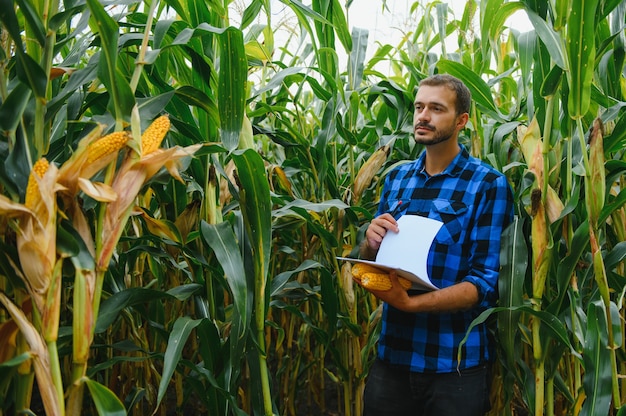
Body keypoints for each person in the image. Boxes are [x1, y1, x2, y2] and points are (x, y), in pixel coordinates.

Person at [358, 74, 514, 416]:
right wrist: (370, 245)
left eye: (435, 108)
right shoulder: (396, 180)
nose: (422, 116)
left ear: (461, 121)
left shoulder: (487, 184)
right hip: (392, 360)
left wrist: (411, 305)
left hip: (455, 367)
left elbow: (484, 284)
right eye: (418, 107)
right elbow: (374, 260)